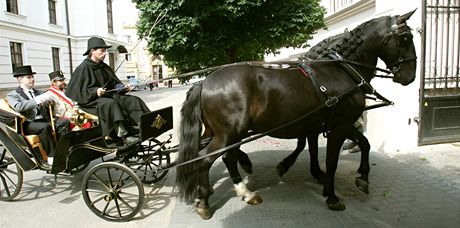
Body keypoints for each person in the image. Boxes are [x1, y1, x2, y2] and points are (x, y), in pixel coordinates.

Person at [65, 37, 150, 144]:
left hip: (108, 97)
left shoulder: (104, 66)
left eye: (105, 51)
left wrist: (123, 87)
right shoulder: (83, 68)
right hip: (90, 102)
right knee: (111, 103)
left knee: (132, 100)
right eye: (102, 50)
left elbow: (114, 84)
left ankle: (142, 125)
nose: (105, 53)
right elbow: (74, 91)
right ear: (92, 51)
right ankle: (122, 134)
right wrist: (95, 92)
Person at [6, 65, 69, 165]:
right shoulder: (13, 94)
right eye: (29, 77)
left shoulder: (39, 92)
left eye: (32, 77)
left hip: (44, 119)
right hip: (28, 123)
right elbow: (18, 107)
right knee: (45, 127)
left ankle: (63, 149)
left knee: (65, 121)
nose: (32, 79)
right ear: (20, 79)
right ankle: (51, 156)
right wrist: (37, 100)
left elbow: (48, 107)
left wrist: (49, 102)